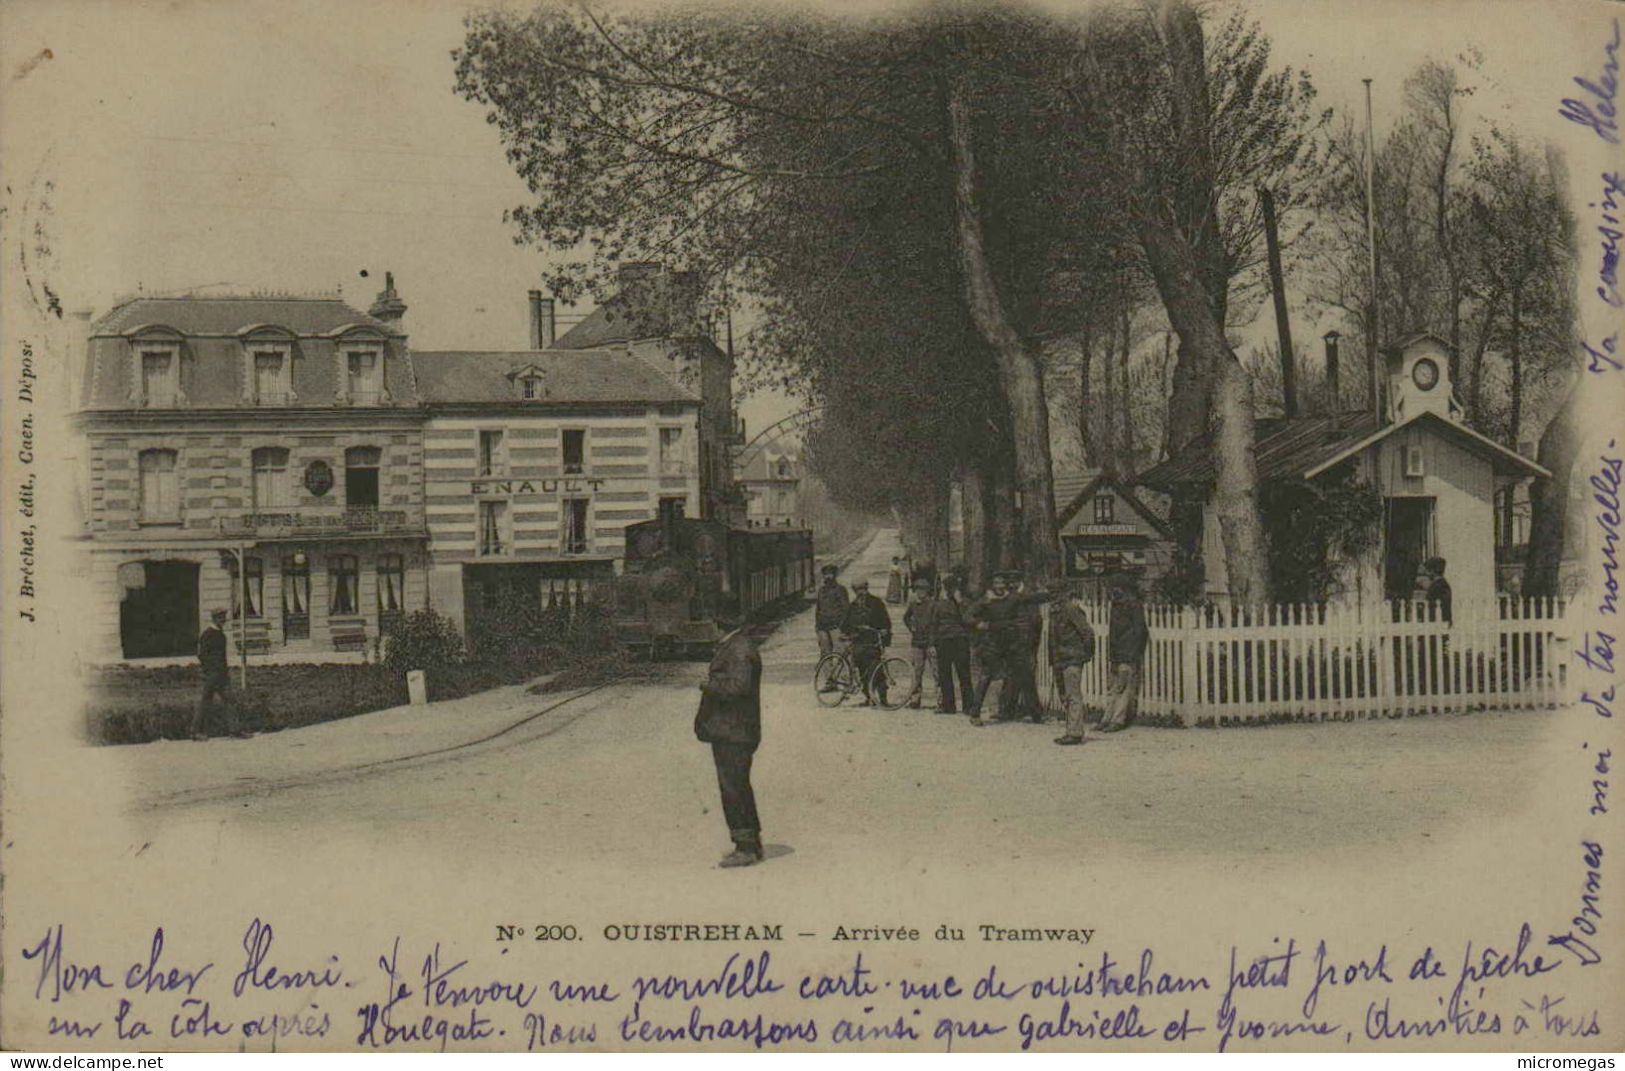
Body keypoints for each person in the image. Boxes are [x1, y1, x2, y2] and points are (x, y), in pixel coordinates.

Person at [694, 599, 765, 868]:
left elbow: (738, 687)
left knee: (733, 788)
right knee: (738, 786)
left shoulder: (738, 648)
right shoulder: (737, 645)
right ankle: (751, 842)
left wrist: (709, 685)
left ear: (719, 624)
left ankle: (745, 848)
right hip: (734, 729)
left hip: (734, 731)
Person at [1098, 578, 1148, 733]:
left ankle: (1118, 720)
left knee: (1123, 687)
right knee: (1112, 687)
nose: (1112, 591)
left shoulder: (1133, 605)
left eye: (1115, 587)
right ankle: (1107, 719)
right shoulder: (1115, 605)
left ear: (1124, 589)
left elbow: (1141, 632)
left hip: (1127, 653)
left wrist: (1134, 653)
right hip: (1115, 653)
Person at [1051, 589, 1098, 746]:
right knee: (1065, 696)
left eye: (1056, 593)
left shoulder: (1071, 610)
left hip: (1072, 659)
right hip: (1061, 659)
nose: (1054, 596)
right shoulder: (1056, 612)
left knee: (1073, 695)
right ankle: (1071, 730)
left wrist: (1085, 654)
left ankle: (1075, 733)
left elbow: (1087, 633)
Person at [841, 579, 893, 706]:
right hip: (858, 643)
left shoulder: (876, 603)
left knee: (877, 671)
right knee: (862, 671)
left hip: (872, 642)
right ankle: (868, 697)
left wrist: (884, 632)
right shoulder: (852, 606)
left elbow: (886, 621)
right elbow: (845, 624)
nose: (861, 592)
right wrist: (847, 635)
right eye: (858, 590)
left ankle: (883, 699)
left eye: (863, 589)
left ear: (867, 588)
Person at [929, 574, 975, 714]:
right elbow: (933, 625)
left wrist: (960, 601)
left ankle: (968, 706)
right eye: (948, 587)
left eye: (952, 588)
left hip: (960, 640)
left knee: (964, 674)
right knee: (945, 674)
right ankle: (949, 706)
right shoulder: (938, 604)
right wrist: (932, 644)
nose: (949, 590)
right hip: (943, 641)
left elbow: (969, 618)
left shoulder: (964, 603)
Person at [190, 609, 232, 740]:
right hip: (213, 674)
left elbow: (222, 657)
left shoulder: (220, 634)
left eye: (224, 618)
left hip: (221, 674)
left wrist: (224, 671)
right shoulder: (208, 634)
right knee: (206, 702)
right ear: (215, 619)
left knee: (229, 701)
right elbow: (202, 655)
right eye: (221, 618)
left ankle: (235, 730)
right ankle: (196, 732)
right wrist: (209, 670)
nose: (223, 620)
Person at [901, 577, 934, 709]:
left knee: (936, 672)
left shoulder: (933, 605)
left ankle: (941, 700)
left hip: (930, 642)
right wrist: (911, 628)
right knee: (916, 671)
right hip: (917, 642)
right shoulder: (913, 604)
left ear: (928, 591)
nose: (921, 592)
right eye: (918, 589)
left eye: (923, 589)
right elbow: (906, 617)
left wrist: (933, 641)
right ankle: (915, 699)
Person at [814, 563, 849, 669]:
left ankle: (841, 678)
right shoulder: (821, 591)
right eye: (826, 574)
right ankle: (829, 680)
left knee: (840, 654)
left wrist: (843, 625)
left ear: (835, 575)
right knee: (825, 654)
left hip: (836, 626)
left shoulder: (840, 590)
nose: (828, 577)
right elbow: (818, 608)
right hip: (822, 627)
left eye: (830, 574)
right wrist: (817, 626)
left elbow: (846, 609)